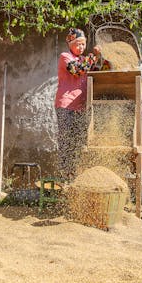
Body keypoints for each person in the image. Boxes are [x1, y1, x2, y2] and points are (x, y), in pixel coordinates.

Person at [54, 28, 104, 179]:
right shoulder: (65, 57)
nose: (81, 47)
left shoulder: (84, 59)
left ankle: (75, 173)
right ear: (70, 44)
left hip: (81, 107)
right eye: (78, 44)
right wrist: (94, 56)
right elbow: (77, 70)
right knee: (66, 139)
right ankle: (65, 175)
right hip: (66, 105)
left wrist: (100, 56)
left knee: (79, 140)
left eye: (83, 44)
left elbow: (98, 70)